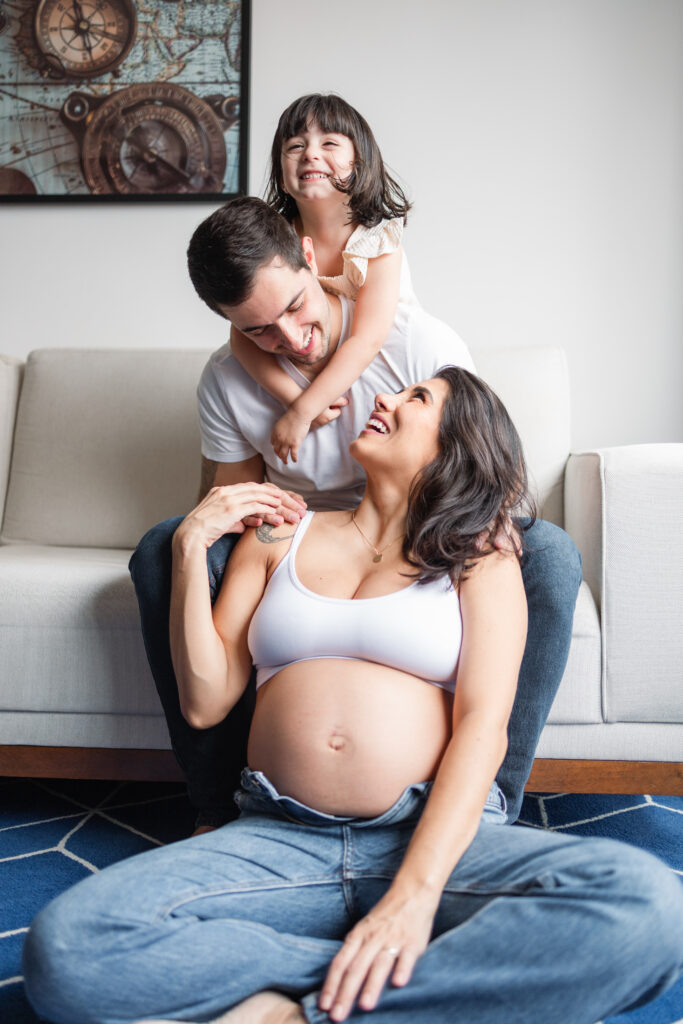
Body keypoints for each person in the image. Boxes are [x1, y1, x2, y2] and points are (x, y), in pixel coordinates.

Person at [23, 369, 683, 1024]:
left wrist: (414, 897)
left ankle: (294, 1015)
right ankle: (385, 976)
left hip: (430, 837)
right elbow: (204, 703)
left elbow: (484, 725)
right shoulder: (278, 535)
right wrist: (191, 544)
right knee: (69, 950)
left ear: (458, 444)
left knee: (645, 906)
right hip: (283, 836)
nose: (385, 397)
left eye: (416, 397)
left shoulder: (482, 552)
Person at [129, 195, 581, 831]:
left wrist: (477, 537)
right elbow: (234, 497)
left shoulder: (415, 344)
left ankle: (487, 805)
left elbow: (475, 446)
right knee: (164, 543)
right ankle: (218, 803)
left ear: (309, 257)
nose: (291, 339)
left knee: (548, 550)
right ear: (230, 324)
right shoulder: (227, 379)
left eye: (295, 306)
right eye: (258, 330)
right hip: (306, 528)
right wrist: (229, 536)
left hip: (425, 514)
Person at [230, 93, 416, 465]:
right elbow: (241, 336)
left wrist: (303, 413)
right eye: (295, 146)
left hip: (385, 369)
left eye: (329, 143)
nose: (311, 154)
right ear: (282, 176)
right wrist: (296, 401)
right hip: (310, 367)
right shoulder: (277, 243)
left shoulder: (380, 243)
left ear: (359, 164)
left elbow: (367, 340)